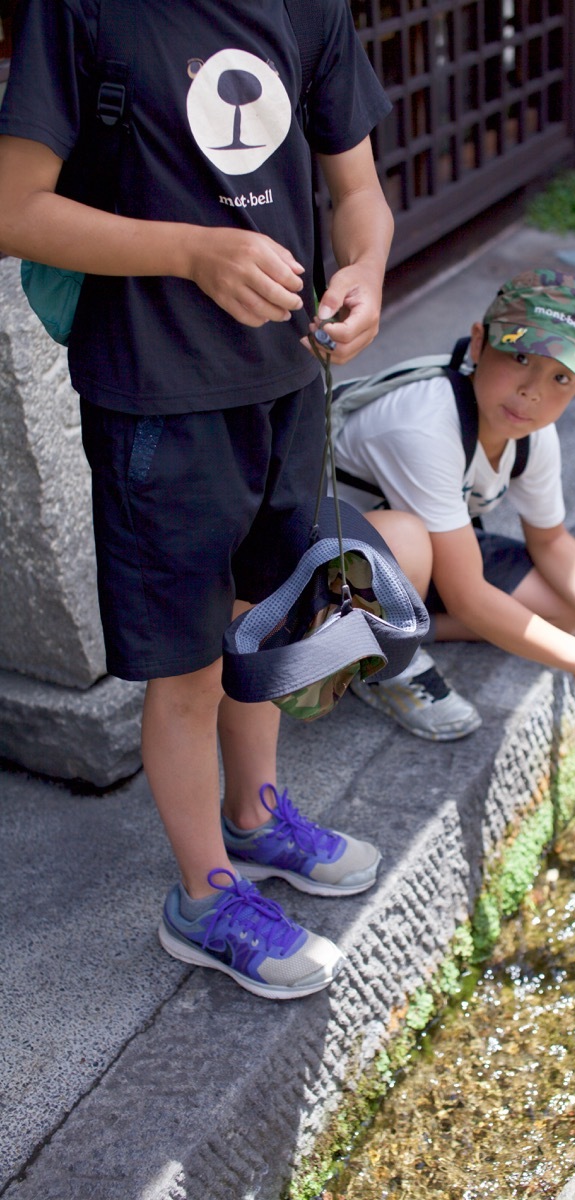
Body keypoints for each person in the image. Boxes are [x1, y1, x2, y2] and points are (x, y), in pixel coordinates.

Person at [0, 0, 395, 999]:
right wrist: (194, 251)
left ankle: (255, 819)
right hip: (156, 398)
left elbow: (357, 191)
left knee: (260, 627)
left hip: (284, 384)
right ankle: (200, 897)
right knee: (184, 664)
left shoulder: (306, 9)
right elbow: (15, 207)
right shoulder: (83, 10)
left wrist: (367, 269)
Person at [333, 269, 575, 741]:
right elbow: (469, 597)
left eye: (560, 378)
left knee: (568, 609)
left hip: (431, 557)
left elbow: (551, 540)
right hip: (327, 570)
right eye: (520, 356)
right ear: (478, 344)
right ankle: (381, 663)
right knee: (403, 537)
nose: (533, 391)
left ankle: (403, 631)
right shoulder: (425, 425)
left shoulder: (531, 432)